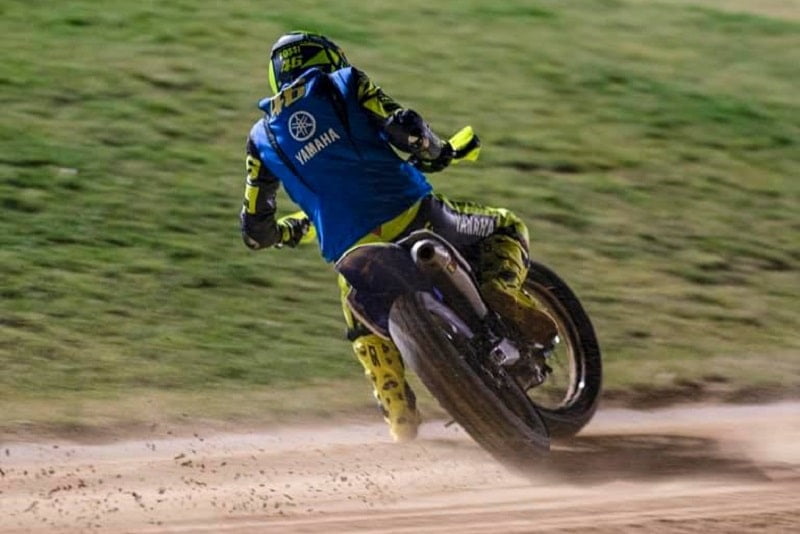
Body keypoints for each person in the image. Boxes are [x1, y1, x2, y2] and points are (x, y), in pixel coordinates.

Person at [240, 31, 557, 443]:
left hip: (350, 249)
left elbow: (256, 231)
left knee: (361, 324)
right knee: (507, 226)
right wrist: (438, 151)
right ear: (328, 58)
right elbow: (405, 126)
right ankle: (501, 288)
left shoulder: (260, 139)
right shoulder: (345, 81)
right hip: (415, 214)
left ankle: (398, 410)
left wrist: (287, 231)